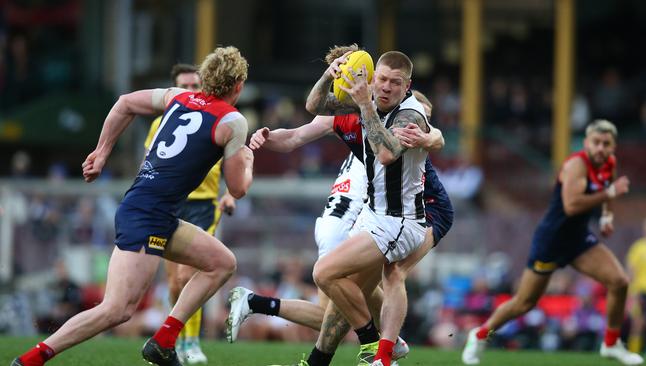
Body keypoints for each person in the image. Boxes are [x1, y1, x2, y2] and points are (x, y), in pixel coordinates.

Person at [11, 46, 254, 366]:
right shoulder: (233, 121)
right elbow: (237, 188)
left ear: (206, 77)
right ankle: (29, 360)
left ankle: (165, 340)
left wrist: (101, 152)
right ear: (238, 86)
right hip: (148, 214)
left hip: (155, 211)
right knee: (117, 309)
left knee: (222, 262)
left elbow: (125, 102)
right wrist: (247, 160)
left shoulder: (176, 96)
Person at [227, 82, 450, 366]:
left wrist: (430, 137)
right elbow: (306, 120)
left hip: (418, 212)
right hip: (360, 219)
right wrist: (265, 137)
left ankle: (379, 348)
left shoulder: (393, 128)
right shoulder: (365, 128)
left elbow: (433, 137)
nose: (419, 121)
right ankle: (375, 347)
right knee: (345, 299)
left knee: (377, 283)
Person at [462, 119, 643, 366]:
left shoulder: (609, 163)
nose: (601, 148)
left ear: (613, 147)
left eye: (606, 144)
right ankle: (480, 334)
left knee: (619, 282)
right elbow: (571, 205)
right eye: (596, 142)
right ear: (587, 143)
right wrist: (609, 194)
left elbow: (607, 190)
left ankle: (611, 344)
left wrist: (607, 216)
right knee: (524, 303)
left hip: (578, 239)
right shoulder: (575, 165)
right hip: (552, 240)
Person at [296, 49, 431, 366]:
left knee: (324, 272)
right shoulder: (369, 99)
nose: (386, 87)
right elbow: (314, 106)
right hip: (374, 215)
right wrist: (330, 75)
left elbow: (386, 154)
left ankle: (375, 347)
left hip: (401, 221)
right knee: (346, 287)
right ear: (374, 78)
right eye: (381, 79)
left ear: (407, 85)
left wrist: (365, 104)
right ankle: (345, 356)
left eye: (395, 83)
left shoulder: (410, 116)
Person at [144, 63, 237, 365]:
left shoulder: (217, 118)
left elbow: (236, 160)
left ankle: (190, 342)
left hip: (204, 203)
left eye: (195, 85)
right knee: (174, 282)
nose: (191, 91)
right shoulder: (163, 121)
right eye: (184, 86)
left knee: (190, 274)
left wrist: (230, 194)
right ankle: (176, 339)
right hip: (173, 201)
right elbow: (150, 161)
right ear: (175, 89)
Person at [627, 216, 646, 354]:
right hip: (641, 291)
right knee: (637, 324)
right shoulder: (638, 247)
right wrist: (632, 294)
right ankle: (633, 354)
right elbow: (631, 272)